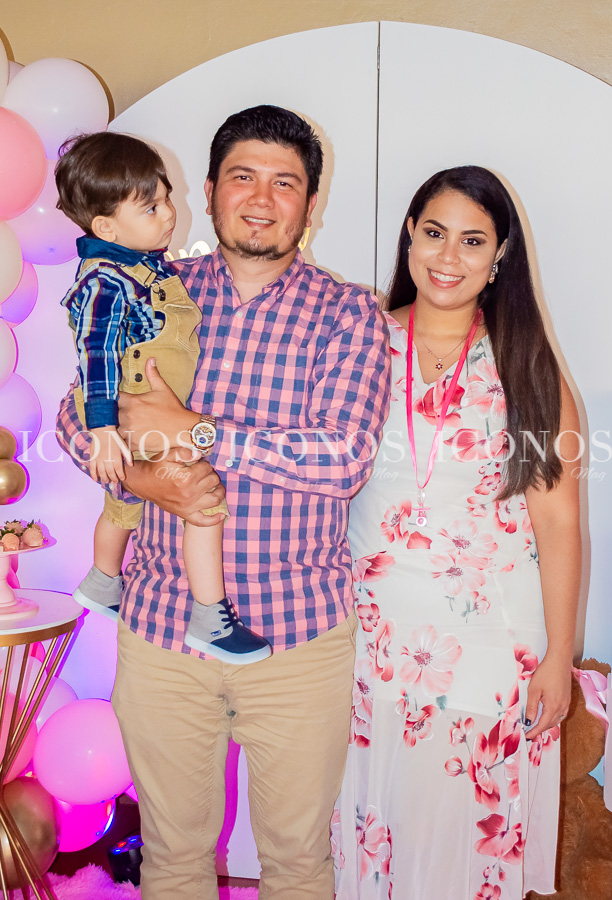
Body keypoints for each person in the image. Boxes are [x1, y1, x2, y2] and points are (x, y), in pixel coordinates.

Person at [56, 105, 391, 900]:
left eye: (285, 183)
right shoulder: (153, 288)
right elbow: (76, 416)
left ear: (311, 204)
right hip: (162, 633)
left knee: (297, 862)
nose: (262, 198)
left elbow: (343, 457)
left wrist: (198, 434)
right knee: (172, 858)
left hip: (297, 638)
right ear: (208, 191)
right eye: (243, 176)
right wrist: (145, 480)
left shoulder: (346, 313)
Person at [333, 166, 581, 900]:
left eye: (472, 240)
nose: (448, 256)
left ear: (499, 255)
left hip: (487, 648)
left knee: (458, 853)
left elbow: (558, 520)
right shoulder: (357, 344)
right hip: (364, 644)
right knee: (370, 838)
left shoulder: (524, 363)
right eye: (435, 233)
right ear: (409, 235)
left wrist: (558, 657)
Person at [55, 131, 270, 663]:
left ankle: (103, 581)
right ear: (105, 227)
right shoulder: (107, 280)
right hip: (130, 402)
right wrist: (103, 428)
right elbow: (95, 354)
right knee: (201, 498)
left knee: (124, 501)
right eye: (151, 207)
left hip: (140, 407)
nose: (169, 213)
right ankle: (209, 617)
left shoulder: (144, 267)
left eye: (166, 198)